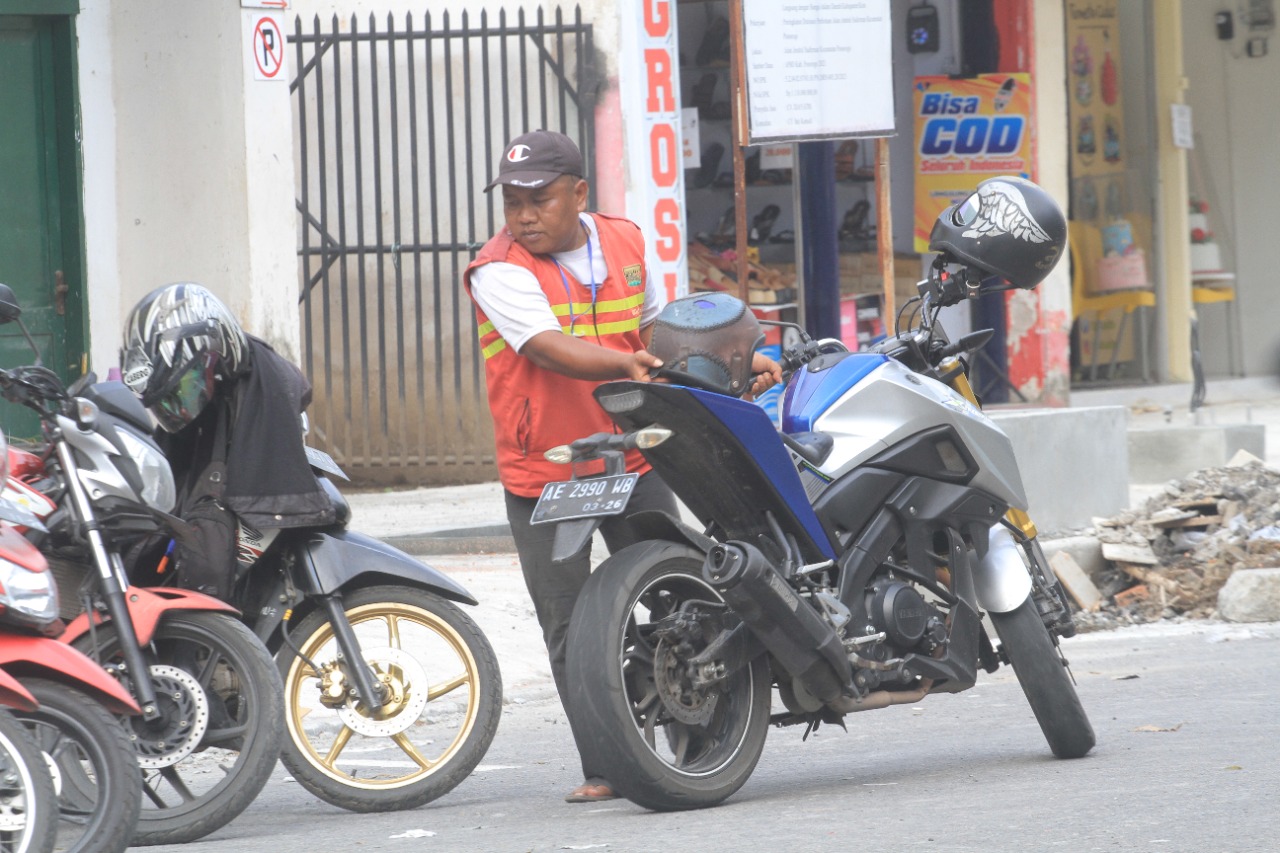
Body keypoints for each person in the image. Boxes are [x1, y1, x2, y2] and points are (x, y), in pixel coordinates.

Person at [463, 130, 780, 803]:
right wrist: (624, 363)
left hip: (635, 453)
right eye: (513, 202)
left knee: (678, 596)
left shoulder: (626, 243)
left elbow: (658, 334)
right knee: (571, 625)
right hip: (549, 472)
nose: (523, 216)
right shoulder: (497, 268)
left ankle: (702, 745)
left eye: (539, 200)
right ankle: (605, 764)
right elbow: (545, 345)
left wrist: (735, 361)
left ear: (579, 193)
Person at [120, 283, 334, 599]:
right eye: (165, 404)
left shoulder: (266, 388)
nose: (178, 410)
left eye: (183, 391)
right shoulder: (208, 415)